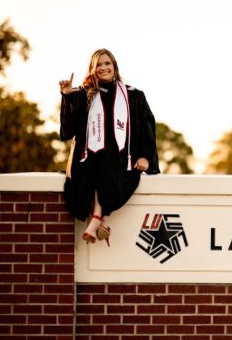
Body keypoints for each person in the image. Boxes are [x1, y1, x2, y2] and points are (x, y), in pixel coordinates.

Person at [59, 48, 159, 245]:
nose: (104, 68)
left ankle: (96, 221)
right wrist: (67, 96)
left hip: (122, 161)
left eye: (107, 64)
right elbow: (67, 131)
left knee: (105, 167)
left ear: (114, 67)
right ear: (92, 70)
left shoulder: (133, 96)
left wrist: (145, 156)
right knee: (95, 168)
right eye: (99, 65)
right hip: (87, 160)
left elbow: (146, 128)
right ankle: (99, 222)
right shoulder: (83, 95)